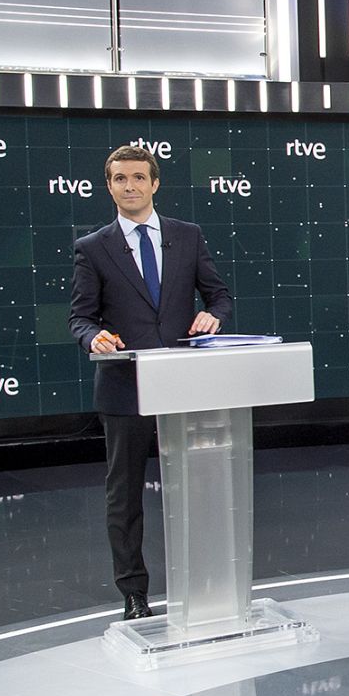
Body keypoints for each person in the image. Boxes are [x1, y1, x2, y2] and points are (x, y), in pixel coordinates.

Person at [69, 145, 232, 620]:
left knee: (199, 485)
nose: (131, 187)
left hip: (185, 383)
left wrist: (212, 316)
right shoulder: (93, 247)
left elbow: (219, 295)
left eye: (139, 178)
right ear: (109, 186)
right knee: (124, 494)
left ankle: (206, 582)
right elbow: (80, 317)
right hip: (126, 387)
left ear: (155, 184)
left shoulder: (187, 236)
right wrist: (93, 336)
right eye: (120, 179)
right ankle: (134, 593)